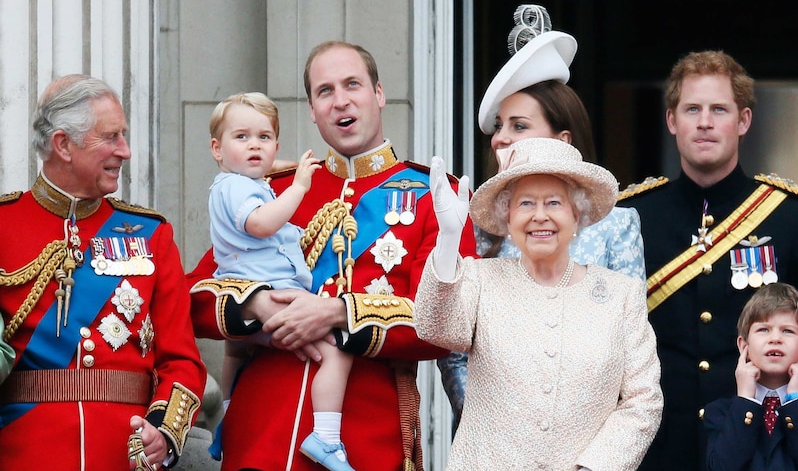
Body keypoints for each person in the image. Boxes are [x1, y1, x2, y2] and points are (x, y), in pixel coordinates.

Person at [187, 41, 478, 470]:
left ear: (378, 94)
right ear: (311, 108)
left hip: (362, 445)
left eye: (352, 85)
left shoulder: (436, 196)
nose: (340, 100)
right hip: (259, 439)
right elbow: (193, 298)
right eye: (325, 91)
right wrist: (257, 304)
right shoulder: (277, 190)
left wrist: (337, 314)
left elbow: (444, 325)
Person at [617, 51, 798, 471]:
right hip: (656, 448)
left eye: (719, 110)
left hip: (760, 448)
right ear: (672, 122)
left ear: (743, 122)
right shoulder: (630, 217)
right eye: (692, 109)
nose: (704, 122)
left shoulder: (795, 217)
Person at [437, 4, 646, 431]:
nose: (500, 138)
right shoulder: (475, 225)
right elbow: (454, 349)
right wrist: (494, 428)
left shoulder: (617, 225)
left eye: (518, 125)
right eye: (499, 125)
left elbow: (630, 358)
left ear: (562, 139)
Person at [415, 137, 663, 469]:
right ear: (507, 217)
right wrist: (447, 240)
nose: (540, 216)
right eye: (526, 203)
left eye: (554, 203)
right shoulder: (479, 279)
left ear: (577, 216)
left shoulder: (621, 295)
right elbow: (435, 327)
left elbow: (643, 401)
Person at [0, 74, 206, 469]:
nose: (125, 151)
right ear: (63, 145)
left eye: (123, 136)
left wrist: (163, 432)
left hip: (121, 454)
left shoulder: (152, 234)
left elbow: (182, 360)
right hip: (23, 453)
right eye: (111, 137)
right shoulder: (5, 225)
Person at [206, 92, 358, 469]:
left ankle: (226, 415)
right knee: (337, 351)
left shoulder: (234, 182)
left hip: (244, 294)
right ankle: (326, 436)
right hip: (276, 295)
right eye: (241, 137)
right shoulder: (249, 189)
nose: (254, 145)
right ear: (217, 148)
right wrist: (300, 187)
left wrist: (285, 169)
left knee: (235, 352)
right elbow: (261, 222)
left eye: (264, 138)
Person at [703, 282, 798, 470]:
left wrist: (795, 399)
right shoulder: (719, 411)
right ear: (743, 346)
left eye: (788, 331)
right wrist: (746, 399)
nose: (775, 338)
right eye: (763, 330)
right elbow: (721, 467)